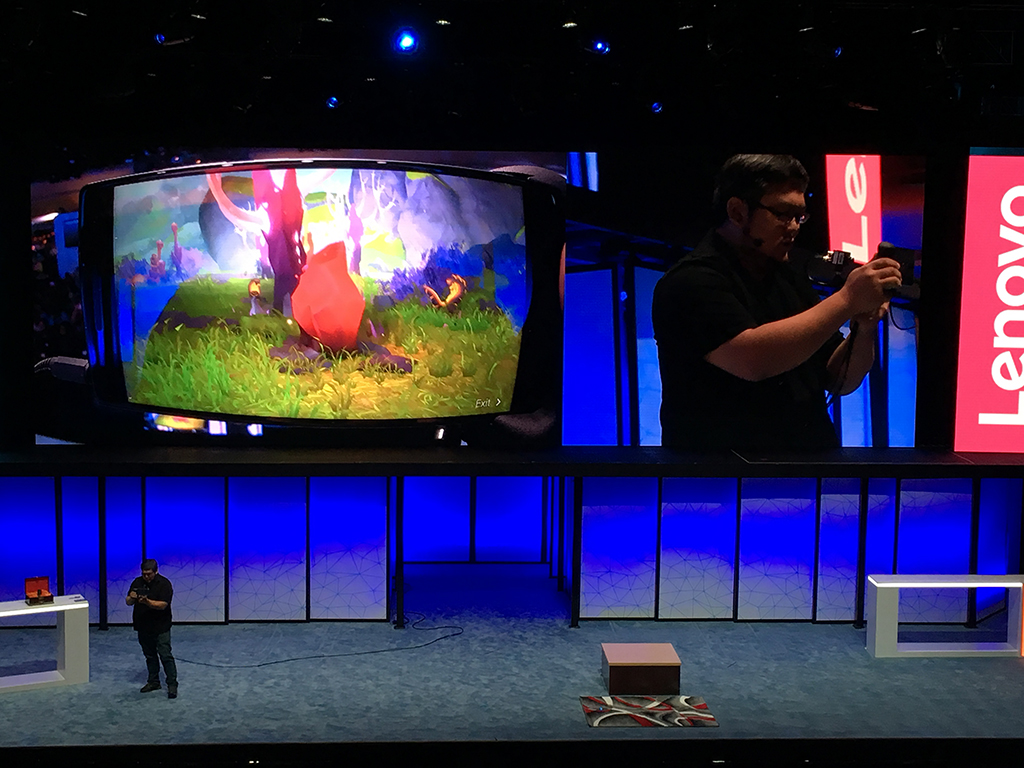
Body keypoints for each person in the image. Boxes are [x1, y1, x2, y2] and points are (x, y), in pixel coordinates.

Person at [652, 154, 902, 450]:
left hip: (809, 464)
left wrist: (864, 326)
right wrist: (847, 300)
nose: (794, 227)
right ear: (737, 212)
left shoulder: (787, 276)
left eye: (800, 217)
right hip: (725, 470)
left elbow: (841, 380)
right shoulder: (692, 280)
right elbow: (753, 360)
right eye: (783, 214)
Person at [126, 559, 178, 698]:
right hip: (143, 625)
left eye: (149, 574)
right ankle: (153, 681)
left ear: (156, 571)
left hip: (161, 625)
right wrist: (132, 597)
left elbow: (163, 605)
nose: (146, 576)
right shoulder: (137, 582)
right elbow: (128, 602)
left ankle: (172, 684)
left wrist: (147, 602)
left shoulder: (164, 584)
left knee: (165, 655)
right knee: (149, 655)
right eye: (144, 574)